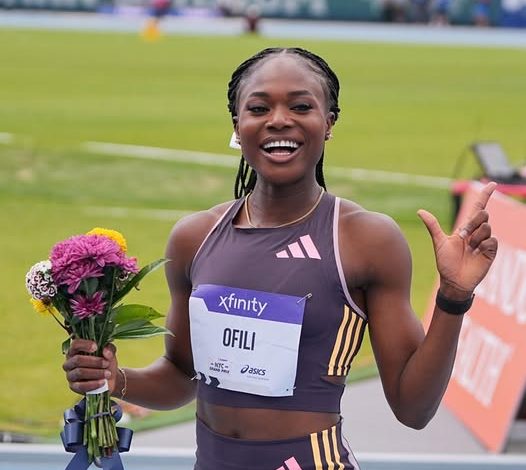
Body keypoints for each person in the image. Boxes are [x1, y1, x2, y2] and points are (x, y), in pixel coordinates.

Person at [63, 47, 498, 469]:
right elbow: (182, 376)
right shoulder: (194, 238)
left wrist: (453, 299)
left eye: (301, 106)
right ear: (238, 124)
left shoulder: (365, 239)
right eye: (258, 108)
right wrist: (113, 378)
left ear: (328, 122)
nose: (279, 121)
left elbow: (413, 408)